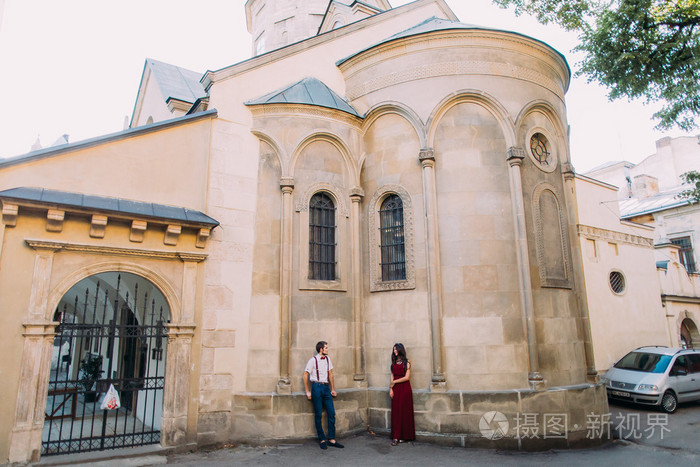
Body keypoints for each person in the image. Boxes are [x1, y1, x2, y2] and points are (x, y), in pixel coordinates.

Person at [303, 341, 344, 450]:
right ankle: (322, 439)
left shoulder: (327, 359)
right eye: (326, 348)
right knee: (318, 414)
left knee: (331, 413)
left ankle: (331, 439)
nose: (327, 349)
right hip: (316, 387)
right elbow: (305, 375)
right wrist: (307, 391)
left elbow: (330, 374)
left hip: (326, 388)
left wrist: (332, 389)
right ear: (321, 349)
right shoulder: (313, 360)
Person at [389, 342, 415, 445]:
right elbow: (391, 376)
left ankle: (403, 436)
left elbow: (407, 377)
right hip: (395, 389)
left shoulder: (407, 362)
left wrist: (394, 382)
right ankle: (396, 435)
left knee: (404, 411)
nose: (395, 351)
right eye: (394, 349)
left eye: (396, 349)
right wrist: (391, 389)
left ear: (400, 350)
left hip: (404, 389)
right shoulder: (393, 363)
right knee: (396, 412)